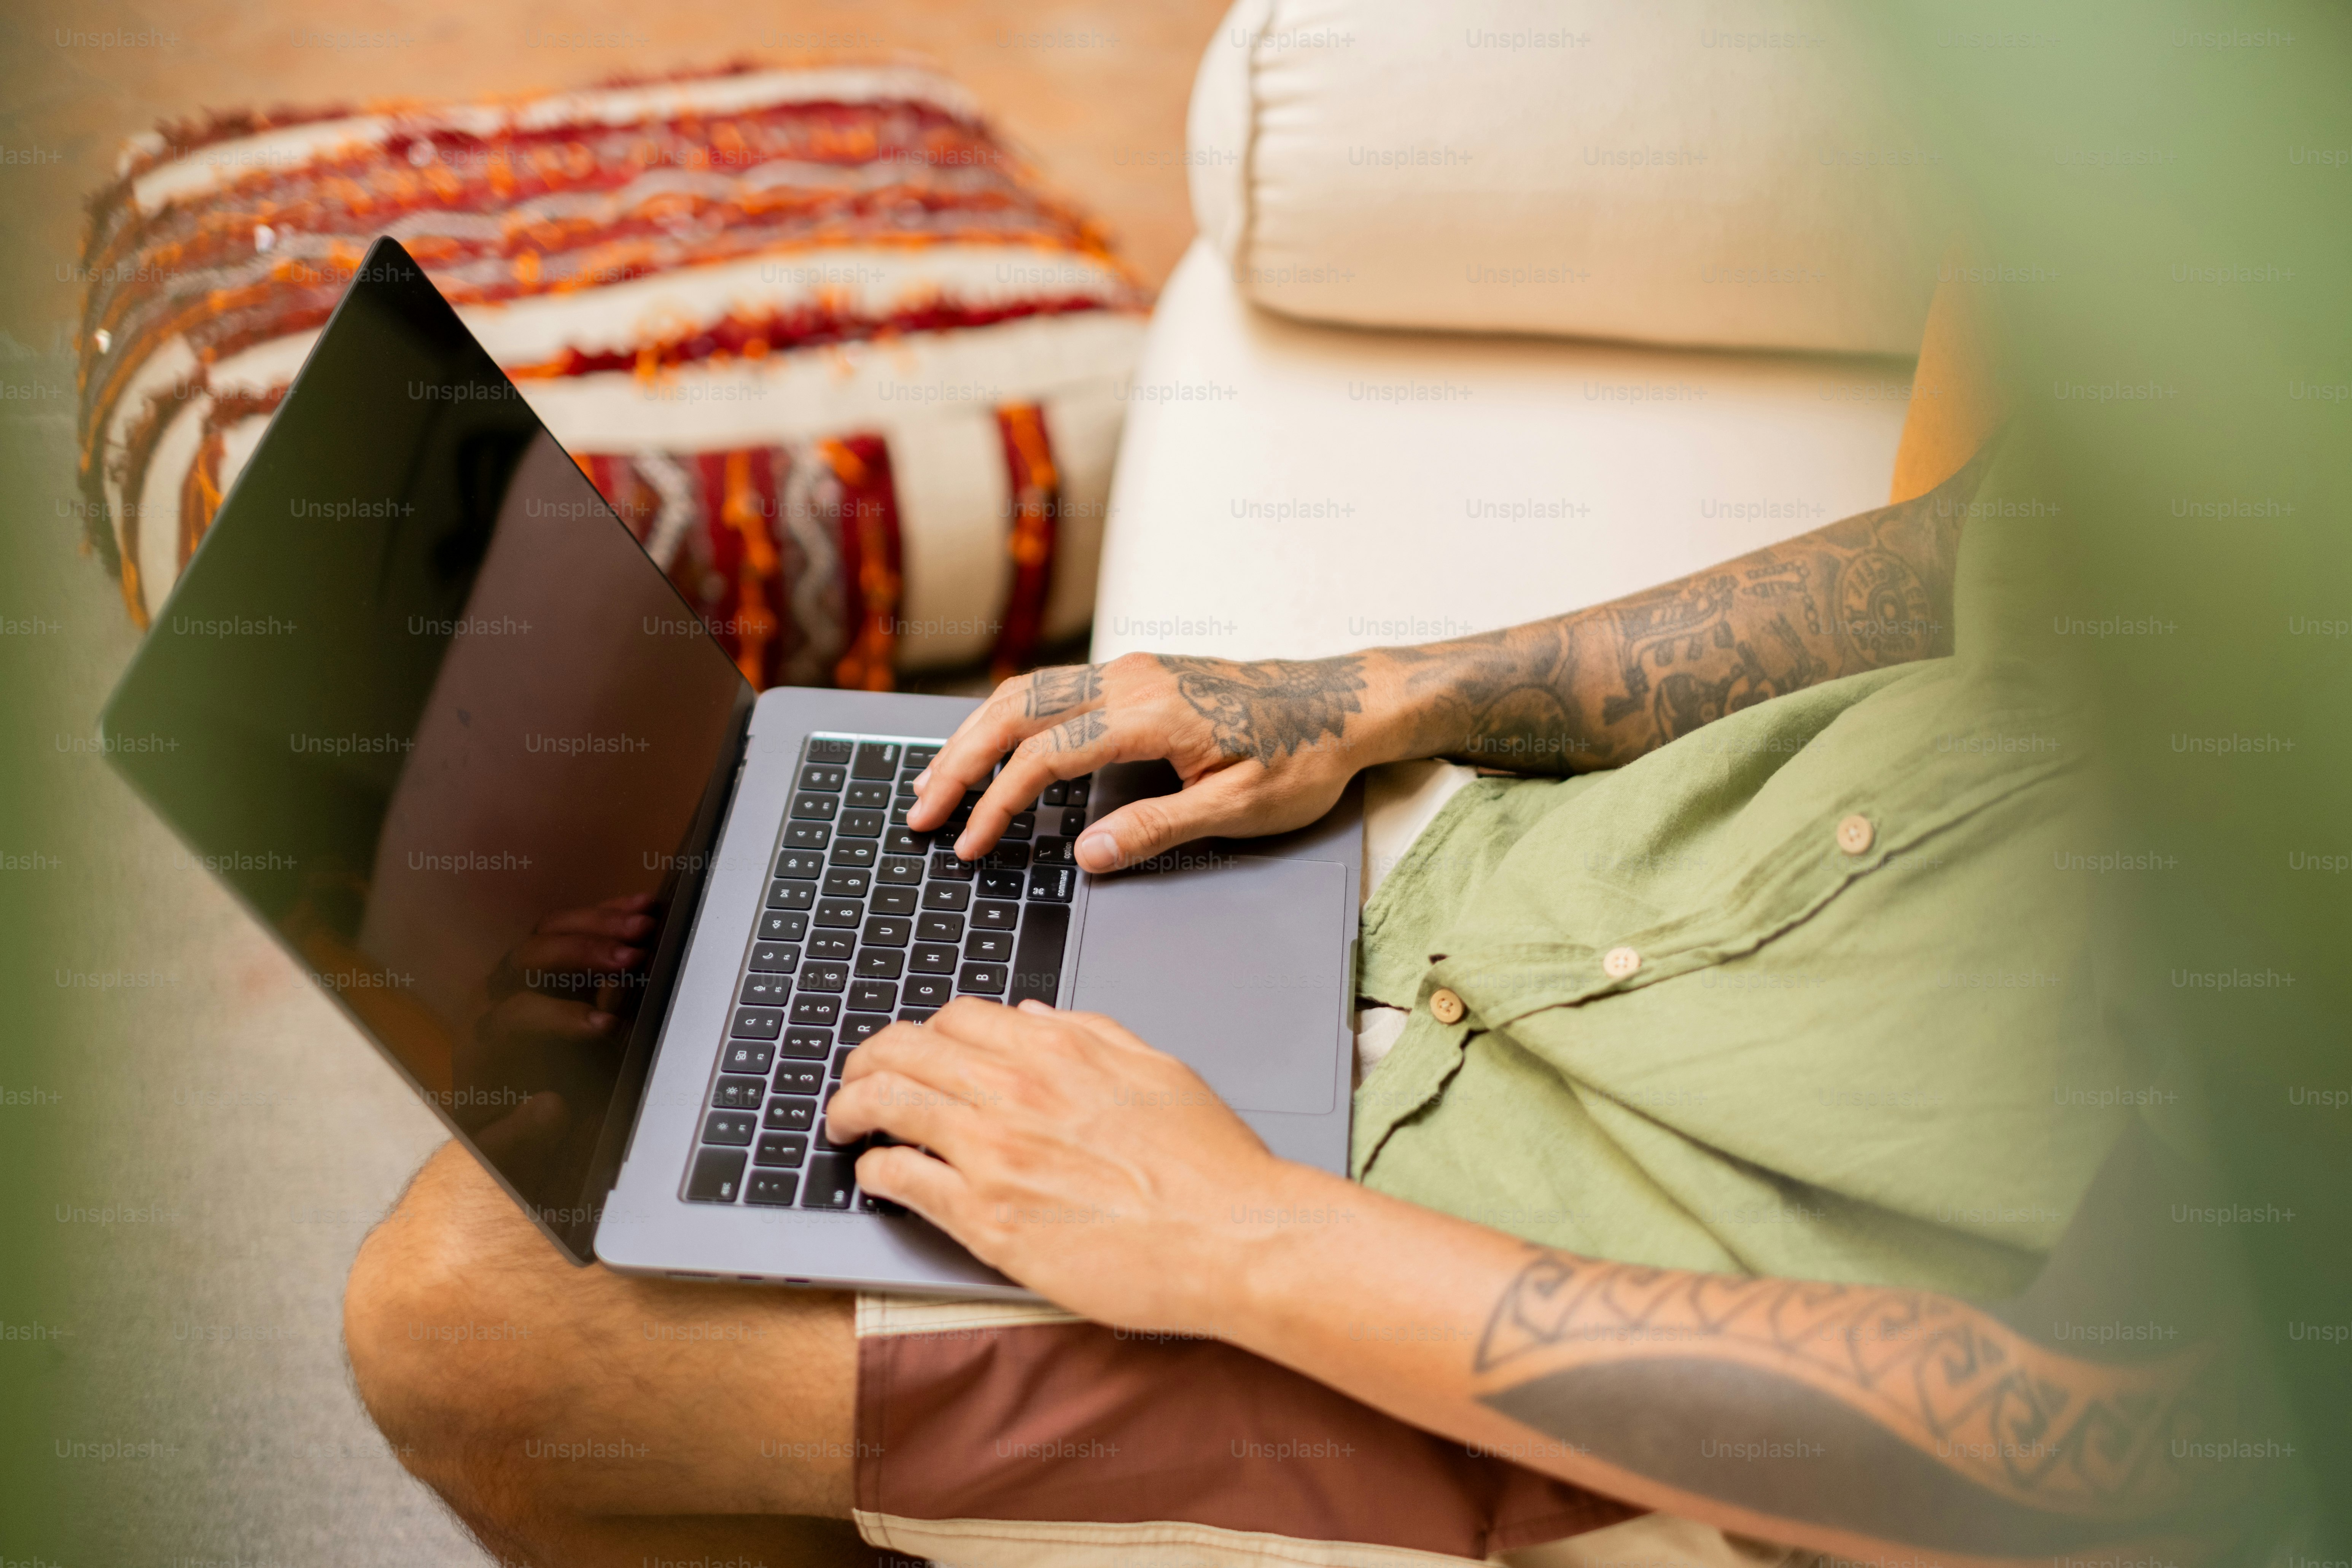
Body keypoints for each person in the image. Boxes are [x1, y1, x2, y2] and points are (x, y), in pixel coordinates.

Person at [340, 279, 2257, 1568]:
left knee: (465, 1307)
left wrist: (1228, 1226)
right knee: (668, 1044)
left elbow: (2096, 1450)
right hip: (1522, 883)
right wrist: (1377, 694)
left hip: (1601, 1342)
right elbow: (1967, 564)